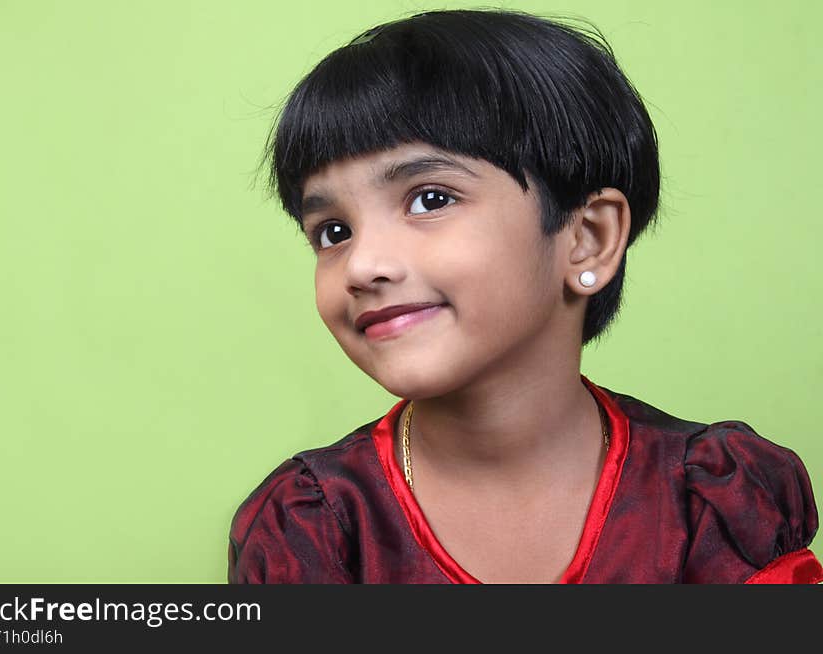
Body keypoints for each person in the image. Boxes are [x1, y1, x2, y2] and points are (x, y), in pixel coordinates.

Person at [227, 9, 821, 583]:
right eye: (333, 232)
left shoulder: (710, 501)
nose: (362, 265)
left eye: (430, 198)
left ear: (587, 238)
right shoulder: (310, 527)